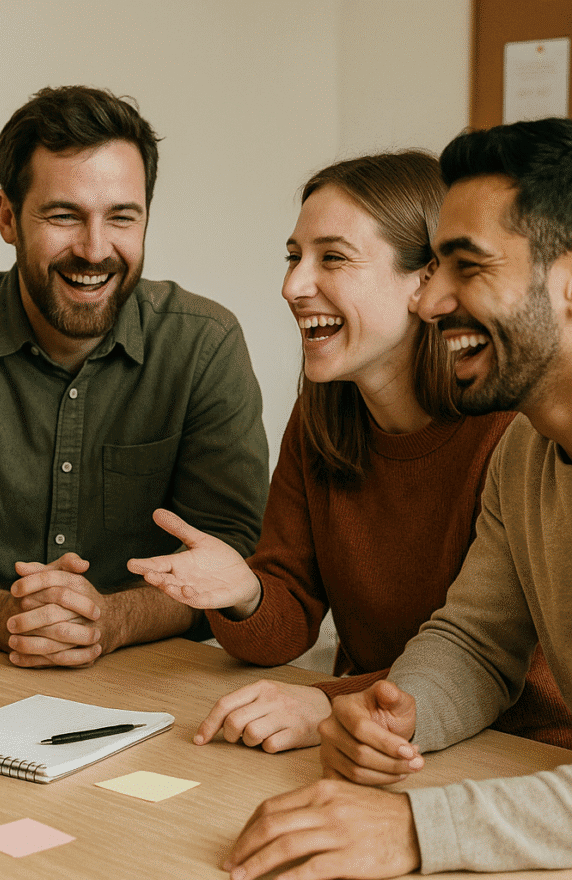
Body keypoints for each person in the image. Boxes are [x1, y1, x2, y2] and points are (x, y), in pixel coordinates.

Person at [223, 117, 572, 880]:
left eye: (467, 268)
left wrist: (418, 828)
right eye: (434, 266)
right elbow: (477, 643)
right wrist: (398, 707)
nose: (432, 300)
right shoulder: (527, 455)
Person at [129, 151, 569, 753]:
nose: (292, 286)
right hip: (376, 733)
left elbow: (503, 670)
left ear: (425, 280)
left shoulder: (511, 430)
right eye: (293, 257)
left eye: (332, 258)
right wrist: (243, 594)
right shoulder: (324, 418)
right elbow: (296, 624)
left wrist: (328, 703)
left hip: (511, 747)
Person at [0, 85, 269, 669]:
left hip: (156, 682)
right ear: (8, 218)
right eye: (64, 216)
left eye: (121, 218)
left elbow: (232, 555)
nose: (94, 249)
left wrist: (113, 620)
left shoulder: (204, 345)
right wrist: (10, 614)